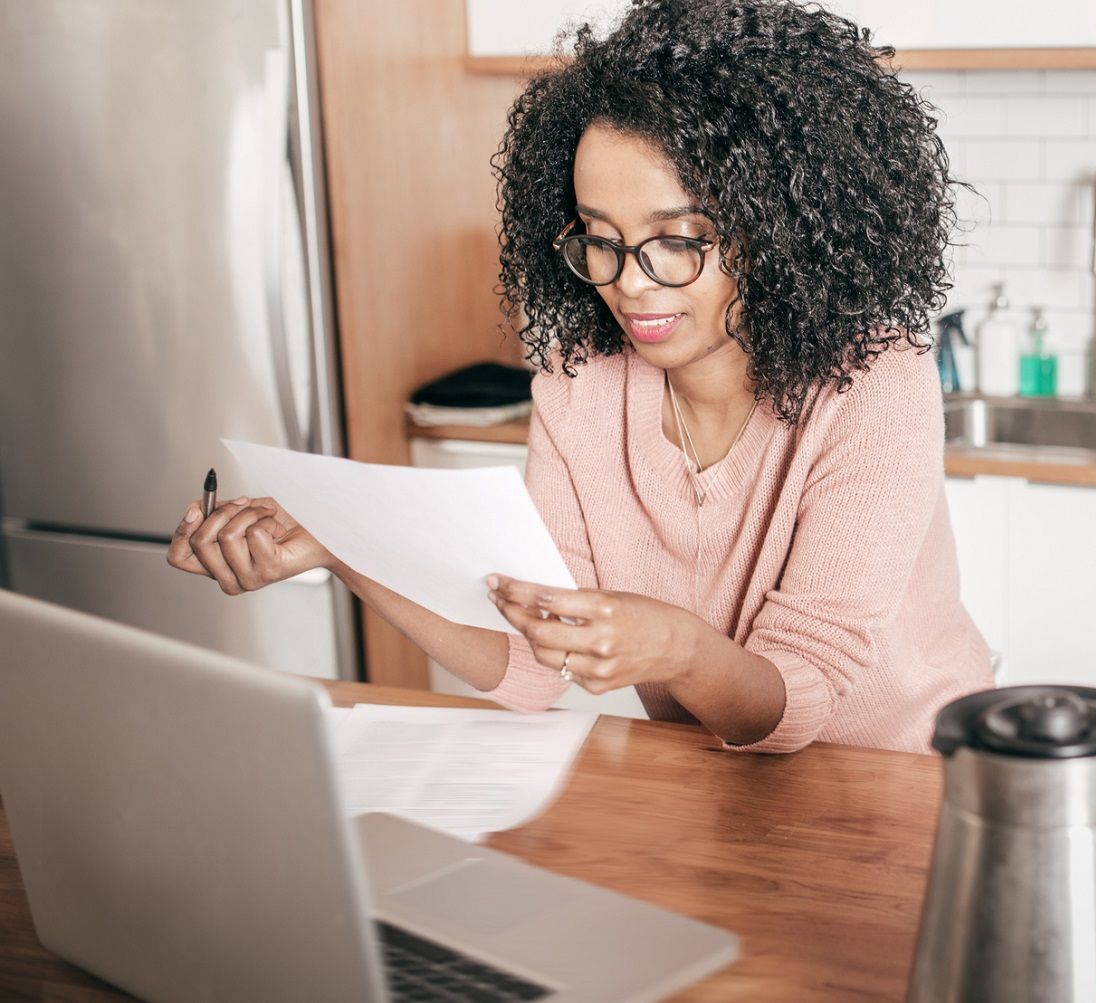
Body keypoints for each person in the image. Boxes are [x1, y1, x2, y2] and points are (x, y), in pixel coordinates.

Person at [167, 0, 992, 754]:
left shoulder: (872, 382)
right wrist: (341, 547)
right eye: (601, 237)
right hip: (720, 778)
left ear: (778, 231)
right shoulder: (580, 390)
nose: (630, 282)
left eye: (677, 240)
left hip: (911, 783)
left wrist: (675, 646)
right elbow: (531, 666)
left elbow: (796, 700)